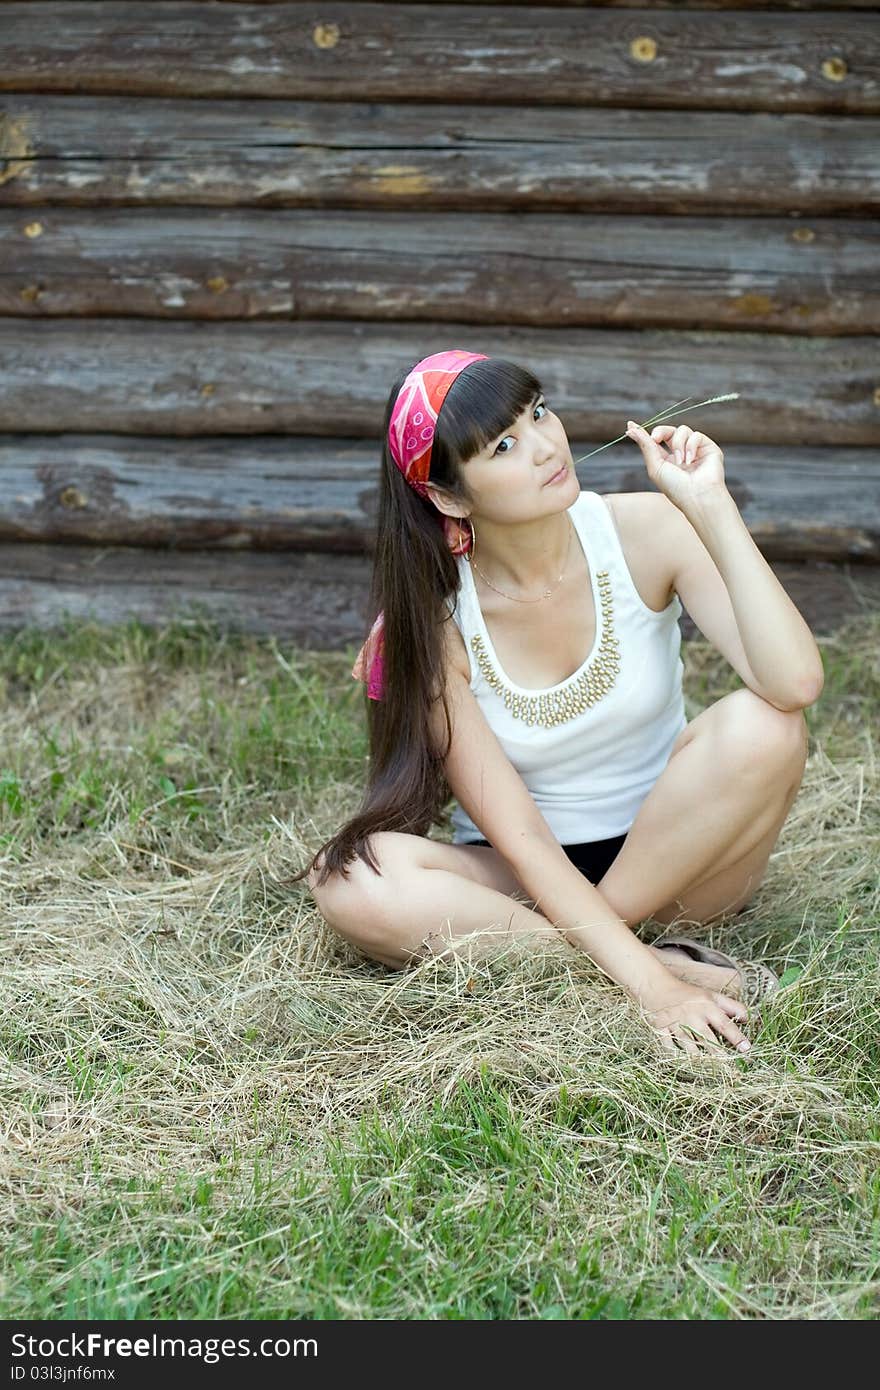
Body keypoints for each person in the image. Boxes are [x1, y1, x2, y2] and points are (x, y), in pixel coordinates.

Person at [295, 350, 823, 1055]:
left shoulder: (644, 532)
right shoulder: (436, 618)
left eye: (538, 412)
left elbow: (794, 684)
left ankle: (574, 948)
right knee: (349, 879)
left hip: (686, 861)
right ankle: (648, 958)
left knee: (767, 724)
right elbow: (522, 838)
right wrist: (655, 988)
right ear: (450, 497)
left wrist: (710, 509)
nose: (546, 445)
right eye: (505, 445)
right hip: (524, 876)